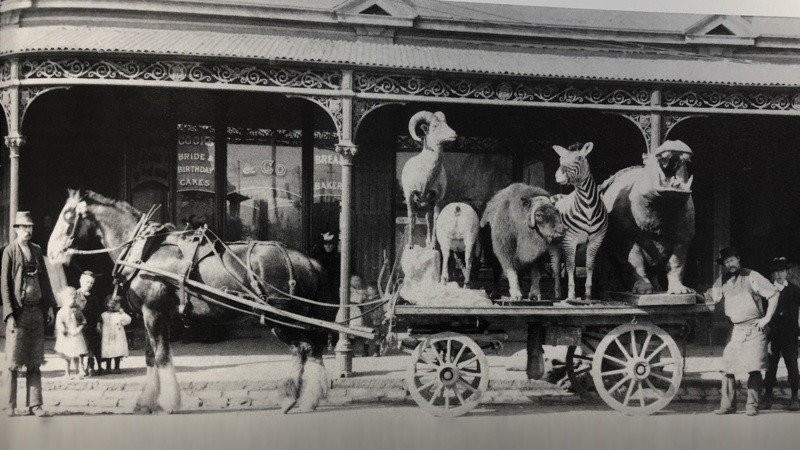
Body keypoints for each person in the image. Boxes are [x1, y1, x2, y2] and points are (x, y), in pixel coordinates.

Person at [705, 246, 779, 416]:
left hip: (755, 328)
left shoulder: (752, 276)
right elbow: (713, 298)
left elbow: (774, 294)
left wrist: (766, 319)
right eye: (726, 262)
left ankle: (752, 406)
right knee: (727, 367)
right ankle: (728, 406)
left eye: (732, 260)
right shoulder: (722, 280)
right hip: (737, 329)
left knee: (754, 367)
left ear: (738, 259)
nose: (729, 264)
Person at [1, 211, 56, 417]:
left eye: (30, 227)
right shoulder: (9, 251)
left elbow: (45, 281)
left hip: (36, 312)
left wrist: (49, 306)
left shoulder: (36, 250)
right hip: (18, 313)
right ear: (16, 229)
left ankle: (35, 404)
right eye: (24, 227)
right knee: (13, 361)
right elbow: (4, 285)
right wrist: (9, 314)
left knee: (35, 359)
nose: (28, 231)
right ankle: (9, 405)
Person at [761, 257, 800, 411]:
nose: (779, 274)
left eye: (782, 271)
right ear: (772, 273)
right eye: (776, 271)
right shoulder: (767, 290)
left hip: (790, 335)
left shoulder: (795, 289)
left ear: (786, 272)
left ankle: (795, 397)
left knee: (792, 365)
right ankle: (768, 396)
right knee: (770, 366)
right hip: (773, 334)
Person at [54, 287, 87, 379]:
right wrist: (63, 330)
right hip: (66, 337)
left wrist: (79, 329)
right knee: (67, 356)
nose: (74, 300)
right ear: (64, 299)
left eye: (75, 298)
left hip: (76, 335)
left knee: (76, 355)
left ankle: (77, 372)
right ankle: (67, 373)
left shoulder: (77, 311)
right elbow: (59, 322)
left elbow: (83, 321)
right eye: (72, 298)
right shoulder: (61, 312)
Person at [76, 271, 103, 376]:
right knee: (81, 346)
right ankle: (81, 366)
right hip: (80, 326)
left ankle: (91, 365)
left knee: (92, 345)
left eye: (91, 283)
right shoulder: (75, 295)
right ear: (80, 281)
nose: (89, 285)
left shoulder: (94, 297)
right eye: (87, 282)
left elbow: (97, 312)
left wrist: (98, 324)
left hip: (91, 325)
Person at [100, 295, 131, 374]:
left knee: (117, 351)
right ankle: (108, 367)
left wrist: (123, 313)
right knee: (108, 351)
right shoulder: (104, 315)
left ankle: (117, 367)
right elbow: (100, 323)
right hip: (107, 336)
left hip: (118, 336)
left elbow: (128, 320)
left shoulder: (119, 315)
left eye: (117, 304)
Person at [309, 231, 341, 297]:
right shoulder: (319, 256)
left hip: (333, 281)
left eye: (330, 244)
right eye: (326, 244)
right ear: (323, 245)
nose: (328, 246)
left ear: (333, 245)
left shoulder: (337, 256)